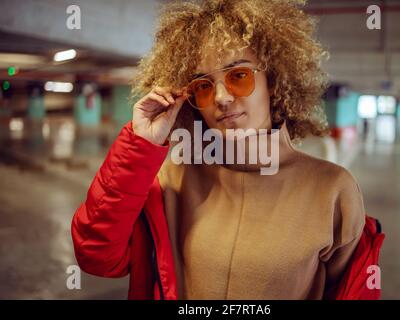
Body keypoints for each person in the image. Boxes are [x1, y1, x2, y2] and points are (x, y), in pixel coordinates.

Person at [71, 0, 369, 299]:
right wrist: (141, 145)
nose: (222, 97)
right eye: (203, 85)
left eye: (238, 75)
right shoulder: (171, 180)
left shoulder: (332, 190)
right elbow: (96, 256)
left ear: (274, 82)